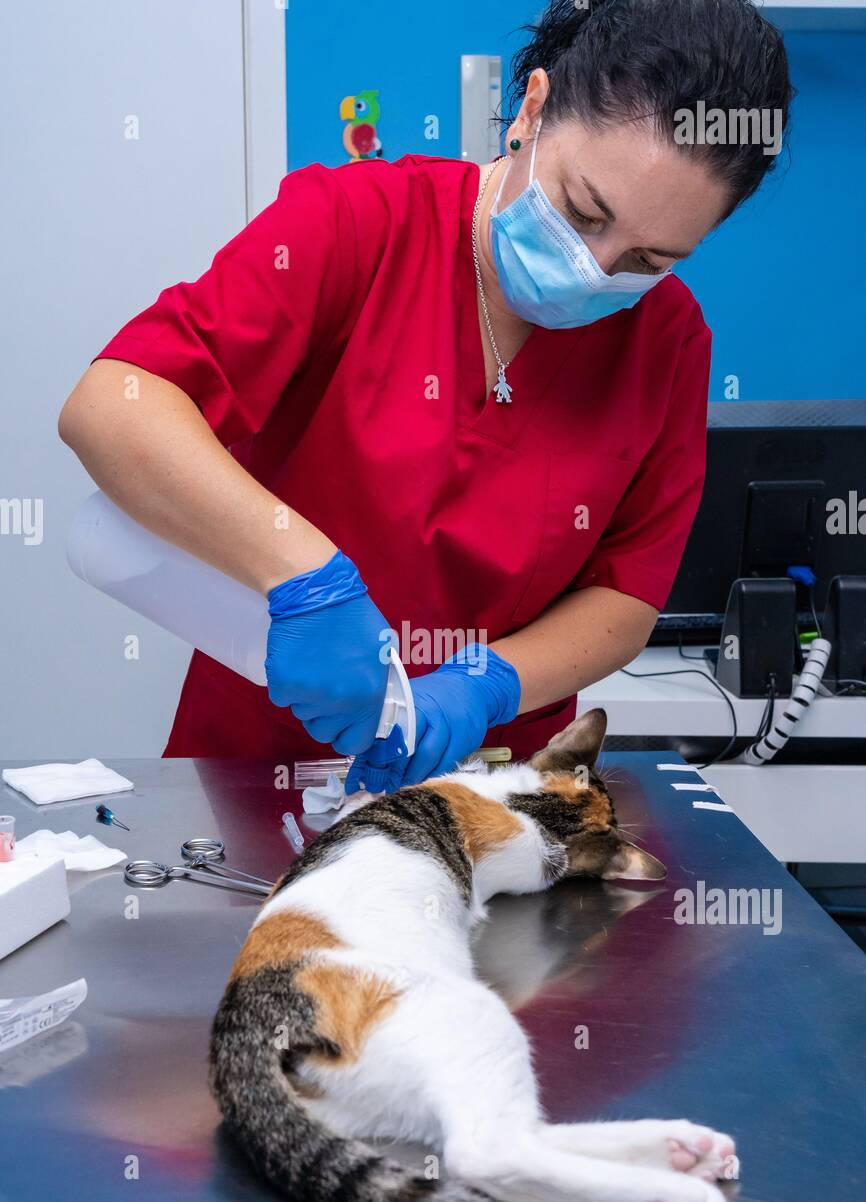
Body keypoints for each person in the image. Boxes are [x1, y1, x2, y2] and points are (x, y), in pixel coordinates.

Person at [58, 0, 792, 783]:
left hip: (486, 785)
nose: (596, 267)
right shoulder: (356, 225)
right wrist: (309, 579)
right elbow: (111, 406)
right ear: (532, 110)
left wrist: (485, 685)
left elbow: (624, 600)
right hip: (255, 772)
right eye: (583, 211)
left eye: (647, 258)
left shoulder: (667, 343)